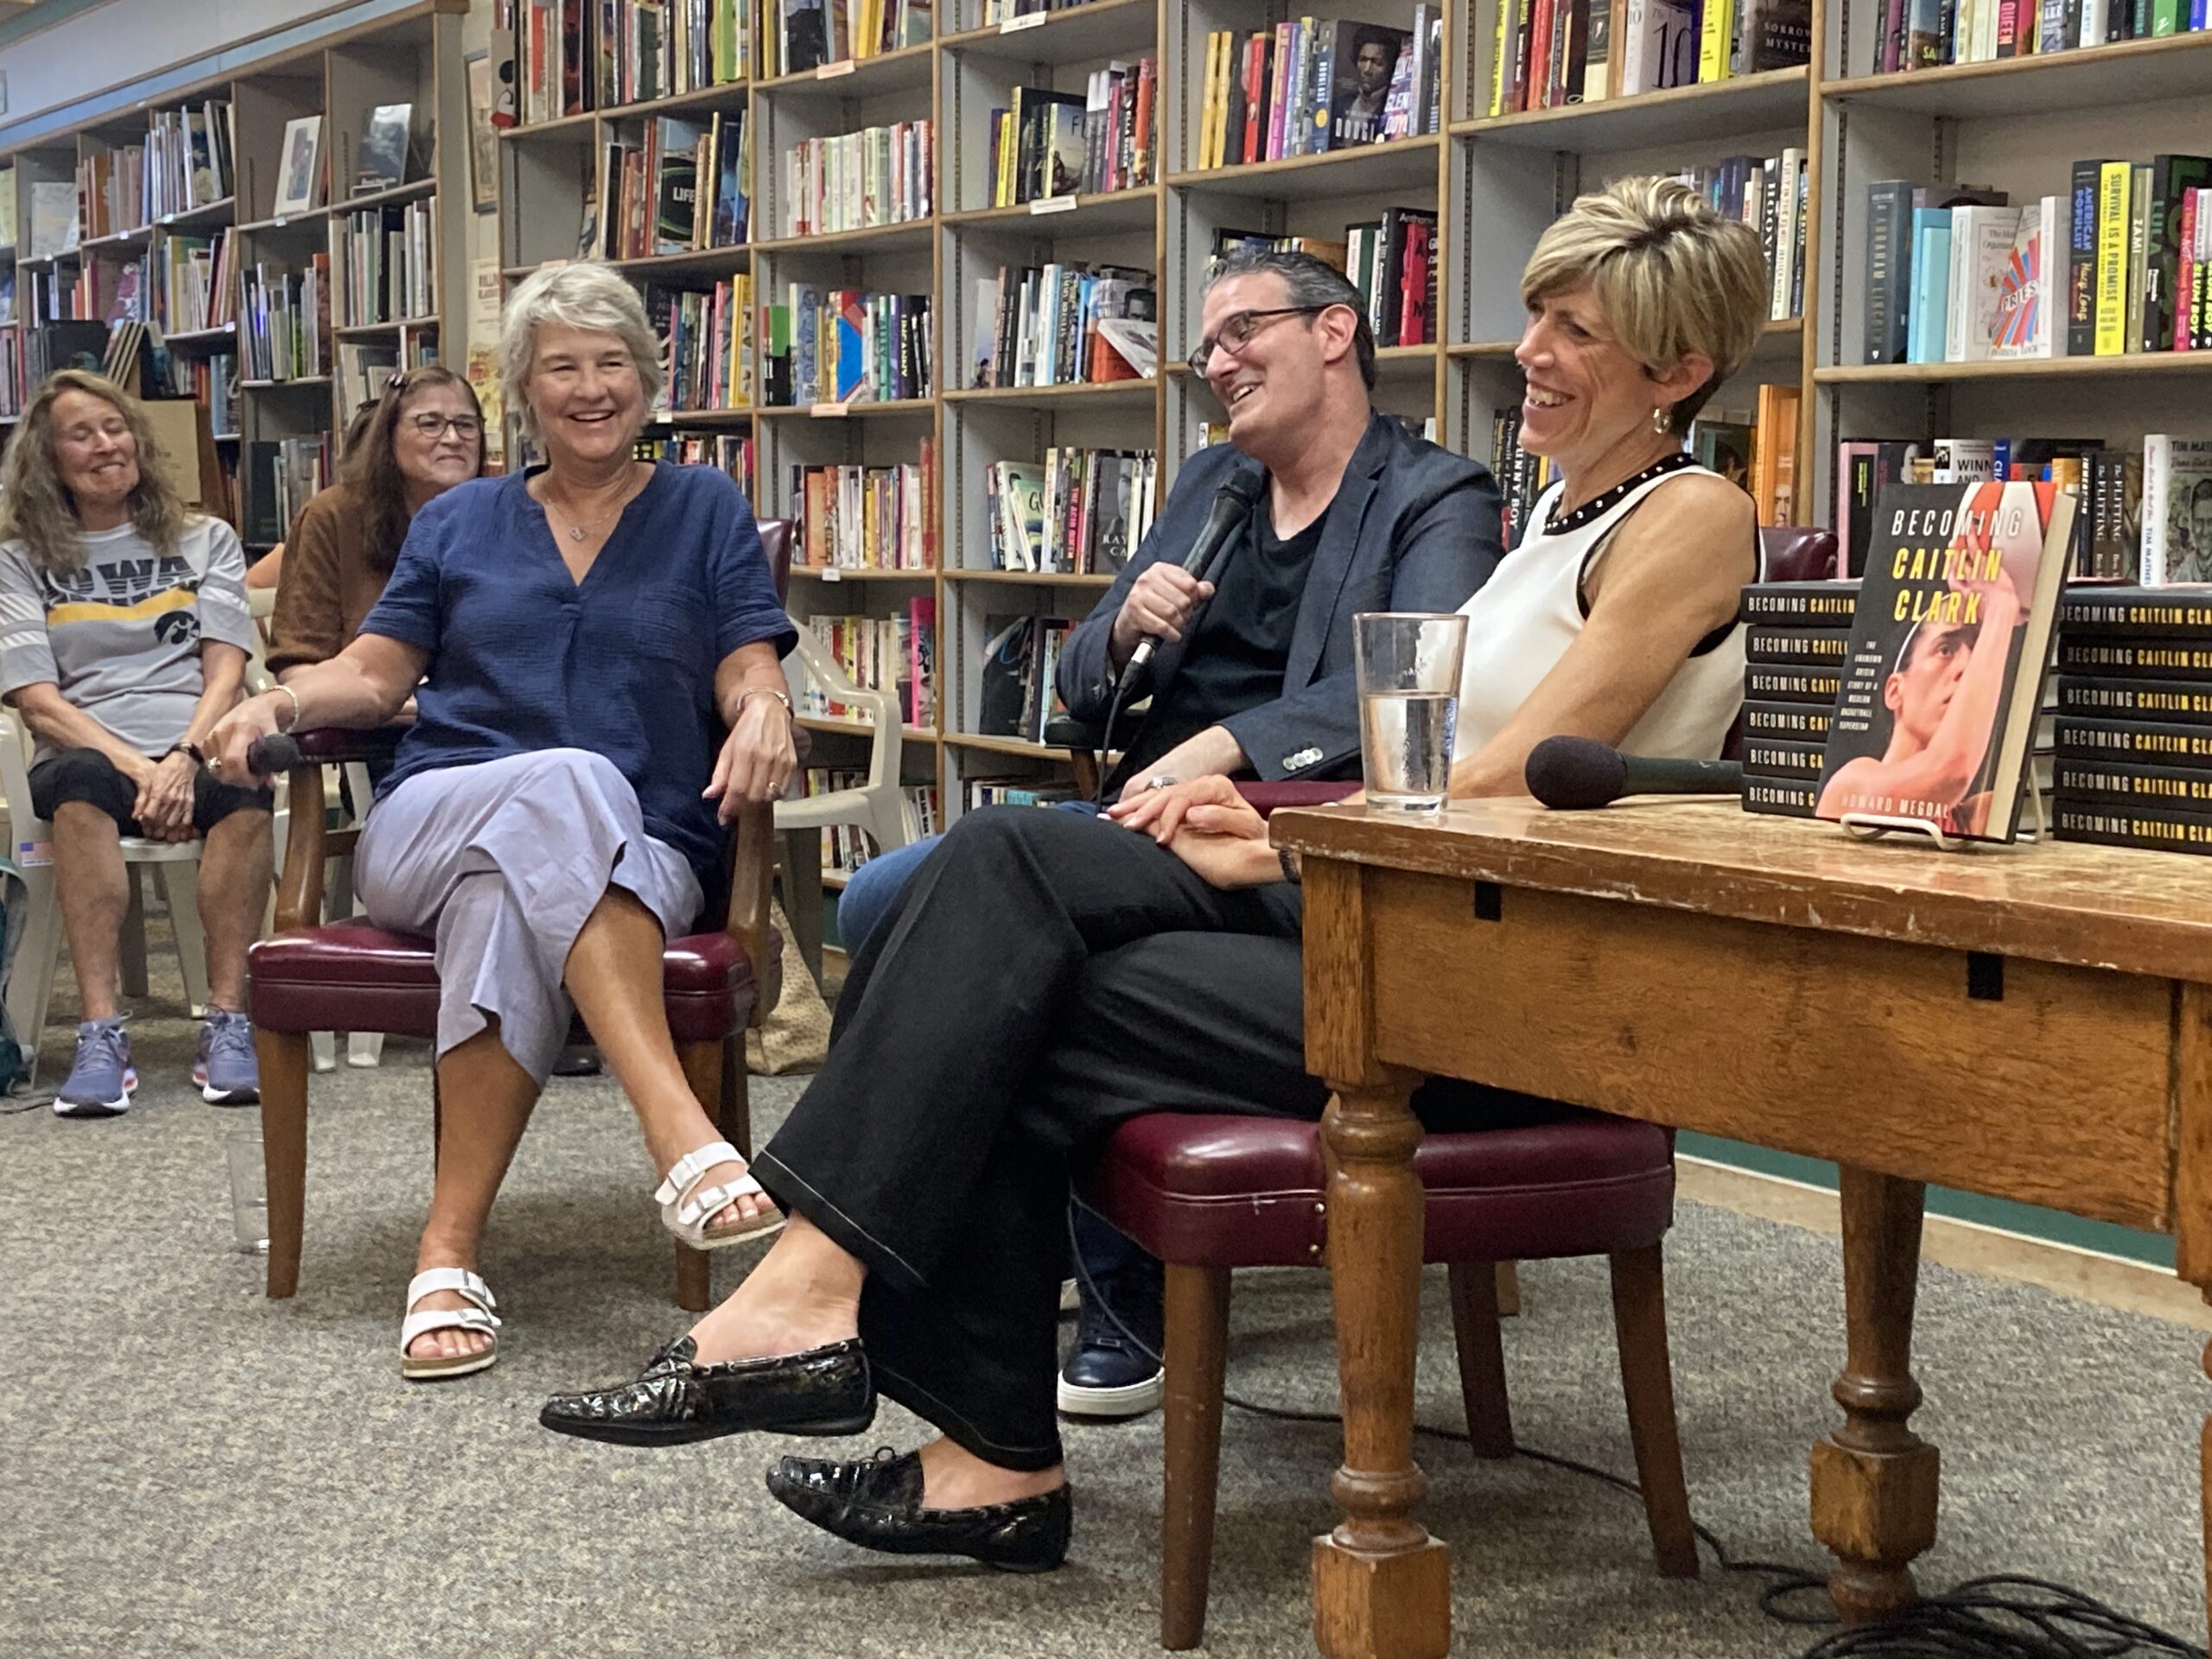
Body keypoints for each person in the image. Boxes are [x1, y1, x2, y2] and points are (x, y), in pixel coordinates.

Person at [535, 175, 1767, 1573]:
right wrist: (1267, 826)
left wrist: (1278, 829)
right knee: (1007, 977)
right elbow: (1429, 776)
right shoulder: (1556, 516)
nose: (1531, 351)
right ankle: (984, 1458)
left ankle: (822, 1307)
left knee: (1001, 884)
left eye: (1578, 333)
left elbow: (1518, 776)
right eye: (1539, 316)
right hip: (1404, 925)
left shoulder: (1692, 515)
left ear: (1679, 370)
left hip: (1506, 1001)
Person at [835, 245, 1504, 1420]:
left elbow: (1411, 681)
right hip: (1142, 814)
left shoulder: (1434, 495)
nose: (1218, 361)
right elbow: (1080, 691)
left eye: (1243, 331)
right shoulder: (1211, 484)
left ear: (1334, 333)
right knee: (875, 898)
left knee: (1017, 941)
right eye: (1207, 346)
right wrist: (1119, 631)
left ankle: (1108, 1282)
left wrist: (1223, 751)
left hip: (1283, 833)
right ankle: (952, 1241)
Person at [207, 262, 796, 1382]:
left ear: (648, 379)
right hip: (436, 819)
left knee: (508, 898)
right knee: (563, 782)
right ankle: (675, 1126)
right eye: (562, 366)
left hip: (646, 845)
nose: (591, 387)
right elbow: (374, 675)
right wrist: (279, 702)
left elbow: (747, 660)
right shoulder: (460, 520)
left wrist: (764, 706)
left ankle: (446, 1252)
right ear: (524, 389)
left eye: (612, 363)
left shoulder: (704, 508)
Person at [0, 371, 273, 1116]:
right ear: (48, 459)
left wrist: (185, 757)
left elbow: (226, 671)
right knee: (79, 786)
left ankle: (228, 1021)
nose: (105, 445)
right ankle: (99, 1032)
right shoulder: (20, 558)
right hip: (89, 751)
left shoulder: (205, 538)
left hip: (195, 741)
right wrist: (142, 769)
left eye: (115, 428)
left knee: (246, 781)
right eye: (81, 435)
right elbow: (38, 701)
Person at [265, 370, 485, 677]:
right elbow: (297, 664)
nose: (453, 439)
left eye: (466, 424)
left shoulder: (502, 515)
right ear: (389, 434)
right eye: (430, 424)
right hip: (360, 703)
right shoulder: (332, 515)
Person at [1329, 28, 1397, 145]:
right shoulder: (1339, 105)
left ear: (1389, 67)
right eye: (1363, 60)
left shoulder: (1392, 111)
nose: (1367, 70)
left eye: (1377, 63)